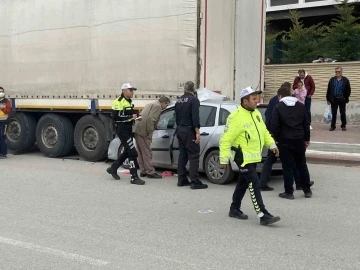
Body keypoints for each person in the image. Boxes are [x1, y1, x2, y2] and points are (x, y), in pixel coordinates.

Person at [219, 86, 281, 226]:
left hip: (253, 156)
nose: (257, 101)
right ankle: (263, 215)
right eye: (254, 99)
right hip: (242, 158)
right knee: (254, 183)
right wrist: (223, 159)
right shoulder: (235, 117)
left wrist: (272, 145)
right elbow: (225, 139)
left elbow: (264, 132)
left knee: (242, 183)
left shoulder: (256, 114)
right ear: (244, 101)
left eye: (257, 98)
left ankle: (234, 208)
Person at [271, 86, 313, 200]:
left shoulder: (278, 107)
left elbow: (275, 126)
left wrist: (276, 139)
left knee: (287, 167)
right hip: (299, 140)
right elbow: (306, 124)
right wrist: (306, 139)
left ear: (280, 96)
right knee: (302, 165)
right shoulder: (300, 106)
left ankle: (289, 192)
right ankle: (307, 190)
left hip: (285, 141)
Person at [260, 82, 303, 191]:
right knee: (276, 159)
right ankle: (263, 183)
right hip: (278, 135)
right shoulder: (279, 102)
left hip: (276, 134)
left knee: (279, 159)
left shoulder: (274, 101)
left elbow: (267, 116)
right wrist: (274, 135)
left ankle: (299, 183)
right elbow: (273, 119)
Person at [106, 83, 145, 185]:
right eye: (130, 90)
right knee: (132, 152)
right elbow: (116, 117)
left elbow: (129, 113)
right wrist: (132, 117)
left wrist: (137, 115)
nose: (133, 92)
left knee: (128, 150)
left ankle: (113, 168)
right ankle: (134, 177)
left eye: (133, 90)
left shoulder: (129, 101)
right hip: (122, 130)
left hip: (128, 128)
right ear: (124, 91)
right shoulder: (118, 102)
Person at [175, 81, 208, 189]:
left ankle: (181, 179)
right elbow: (195, 117)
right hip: (189, 130)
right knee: (194, 156)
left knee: (182, 155)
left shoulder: (178, 101)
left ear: (184, 89)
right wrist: (197, 132)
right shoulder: (194, 100)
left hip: (180, 129)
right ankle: (194, 181)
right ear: (193, 90)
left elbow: (176, 116)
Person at [133, 96, 170, 178]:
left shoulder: (151, 104)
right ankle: (150, 171)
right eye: (166, 105)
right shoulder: (157, 106)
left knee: (141, 152)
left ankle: (143, 171)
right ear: (163, 103)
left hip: (138, 129)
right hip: (144, 131)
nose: (166, 107)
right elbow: (151, 120)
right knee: (147, 152)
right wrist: (149, 133)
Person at [326, 67, 351, 131]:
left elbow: (348, 90)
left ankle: (343, 126)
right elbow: (328, 90)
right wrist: (328, 99)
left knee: (342, 113)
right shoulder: (332, 80)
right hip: (334, 99)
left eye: (339, 71)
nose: (337, 73)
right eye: (336, 71)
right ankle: (333, 126)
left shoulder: (345, 80)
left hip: (342, 99)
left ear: (341, 72)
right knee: (334, 113)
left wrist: (345, 97)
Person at [0, 87, 11, 158]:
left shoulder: (6, 101)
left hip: (3, 122)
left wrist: (2, 108)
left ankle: (3, 153)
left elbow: (8, 110)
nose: (1, 93)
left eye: (2, 91)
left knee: (2, 137)